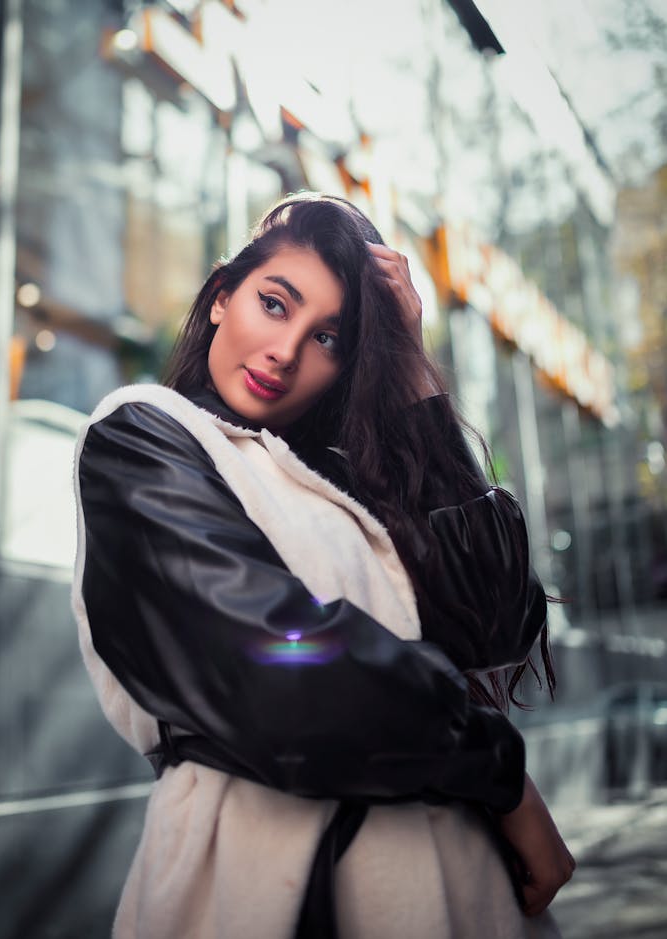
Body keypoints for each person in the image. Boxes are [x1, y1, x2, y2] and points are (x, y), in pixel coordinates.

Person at [72, 192, 575, 939]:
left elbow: (494, 620)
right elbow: (281, 675)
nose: (285, 350)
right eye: (274, 304)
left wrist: (409, 373)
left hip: (459, 892)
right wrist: (501, 774)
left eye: (330, 338)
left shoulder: (351, 477)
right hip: (267, 889)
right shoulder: (146, 436)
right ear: (220, 297)